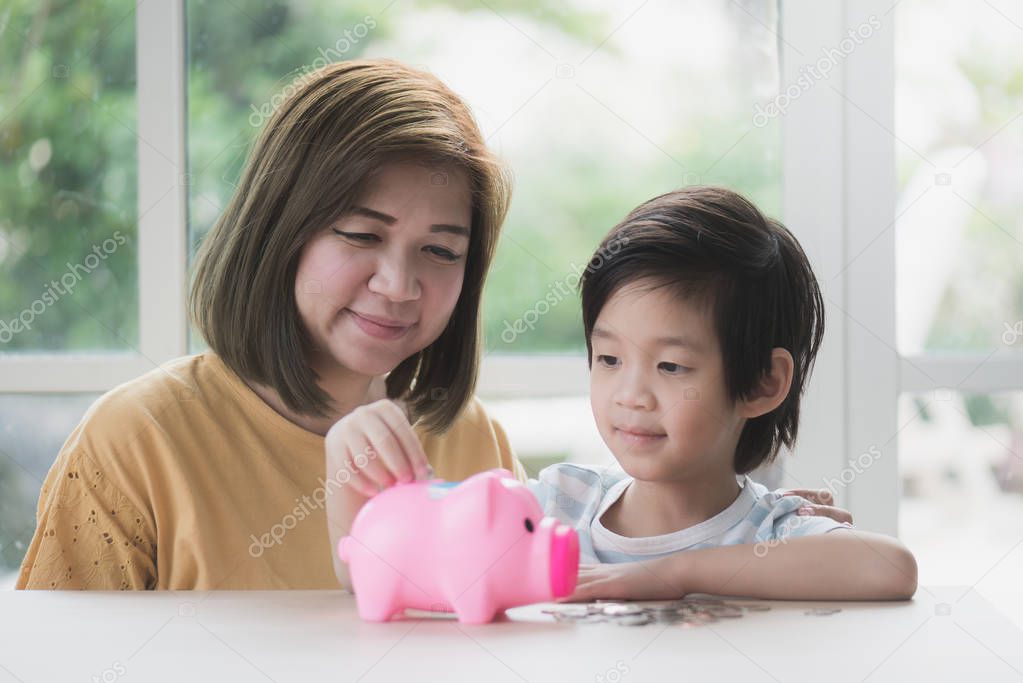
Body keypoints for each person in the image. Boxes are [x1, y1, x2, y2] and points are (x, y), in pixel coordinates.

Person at [527, 186, 917, 601]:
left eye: (671, 366)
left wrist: (672, 573)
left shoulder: (771, 533)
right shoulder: (561, 503)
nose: (631, 395)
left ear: (761, 383)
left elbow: (890, 567)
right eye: (608, 359)